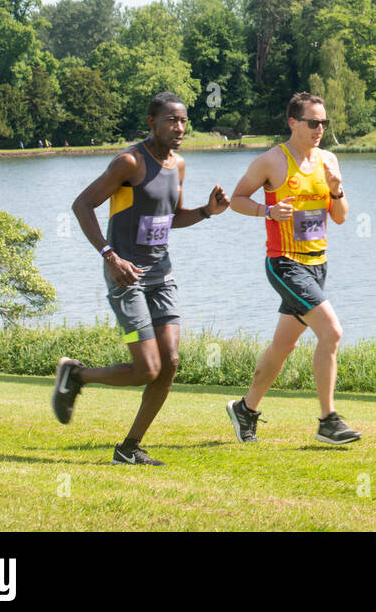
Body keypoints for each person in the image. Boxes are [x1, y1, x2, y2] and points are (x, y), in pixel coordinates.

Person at [52, 91, 230, 464]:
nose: (179, 127)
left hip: (162, 275)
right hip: (126, 275)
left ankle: (128, 448)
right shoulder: (128, 163)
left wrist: (206, 212)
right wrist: (109, 255)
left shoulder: (178, 165)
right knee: (146, 368)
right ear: (152, 122)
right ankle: (77, 376)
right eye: (170, 120)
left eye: (183, 120)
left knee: (170, 363)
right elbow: (82, 204)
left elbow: (173, 218)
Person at [224, 91, 360, 445]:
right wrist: (266, 211)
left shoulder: (329, 160)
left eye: (324, 123)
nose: (320, 129)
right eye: (313, 122)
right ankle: (328, 421)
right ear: (293, 123)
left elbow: (341, 219)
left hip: (318, 265)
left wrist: (337, 190)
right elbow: (236, 199)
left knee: (283, 347)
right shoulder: (272, 161)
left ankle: (246, 409)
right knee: (331, 332)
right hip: (284, 264)